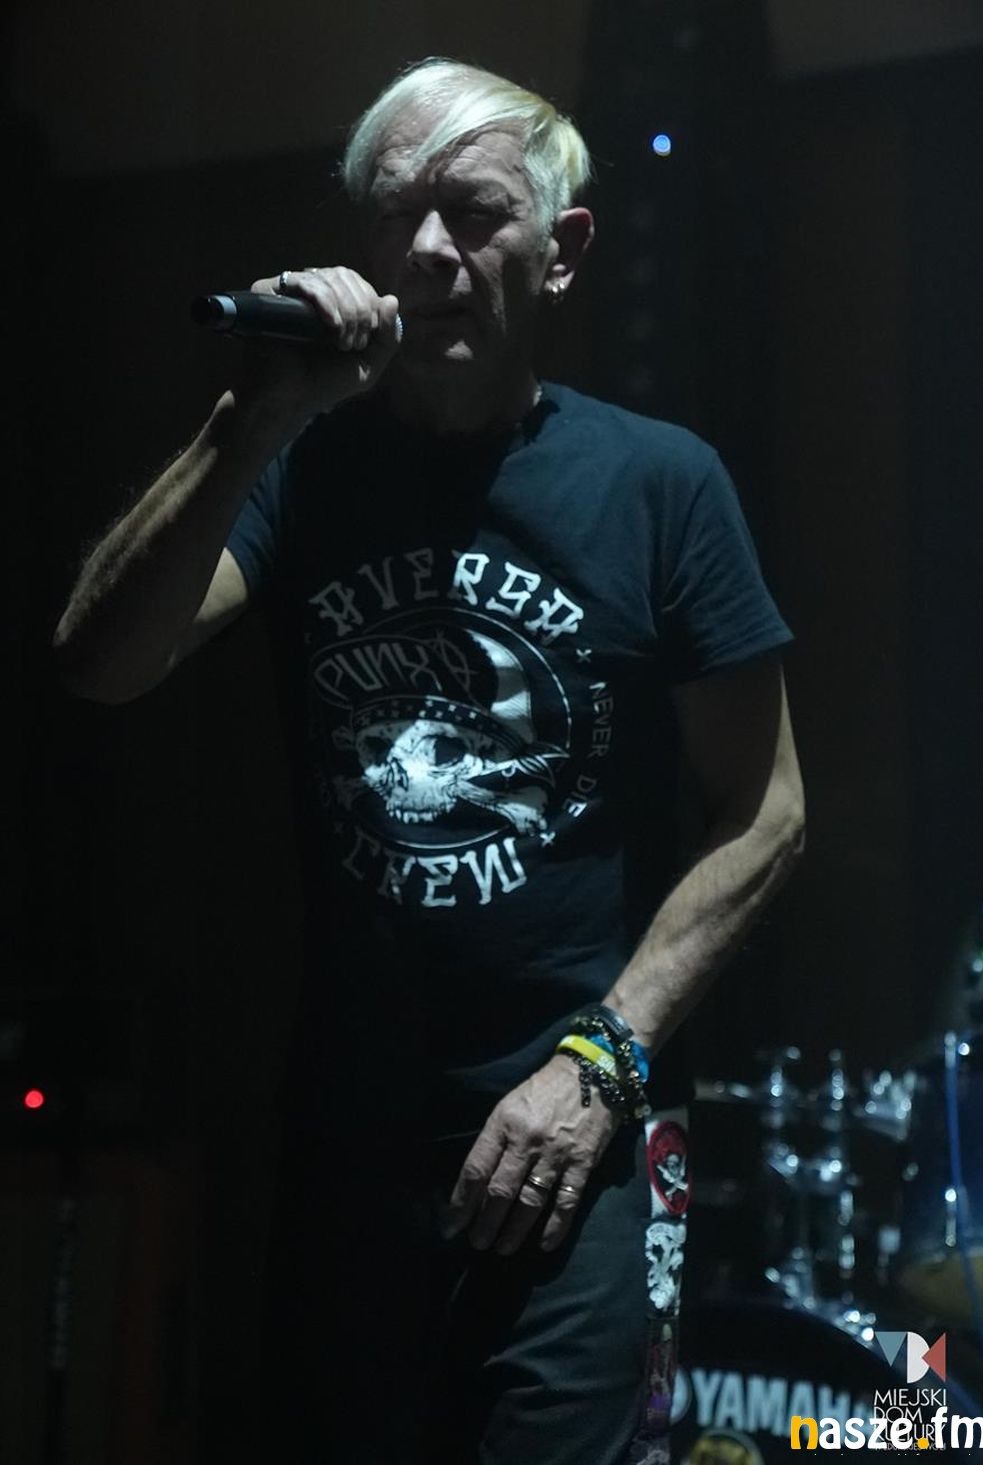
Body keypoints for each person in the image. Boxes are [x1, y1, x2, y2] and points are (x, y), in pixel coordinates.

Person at [54, 57, 805, 1465]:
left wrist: (600, 1062)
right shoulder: (299, 465)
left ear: (562, 250)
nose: (428, 251)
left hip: (575, 1140)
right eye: (396, 215)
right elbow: (100, 661)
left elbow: (764, 816)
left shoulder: (660, 484)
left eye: (474, 212)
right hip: (349, 1149)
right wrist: (254, 415)